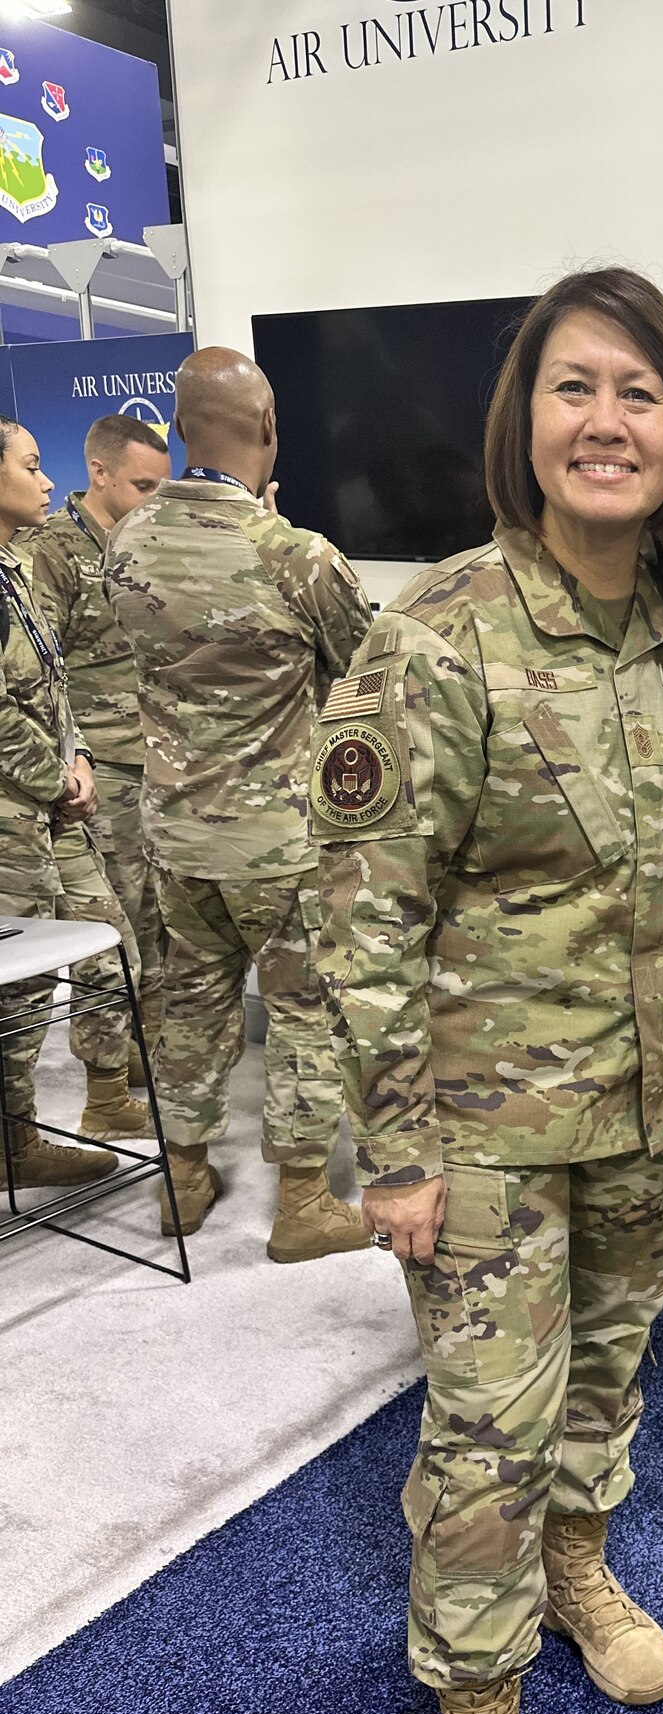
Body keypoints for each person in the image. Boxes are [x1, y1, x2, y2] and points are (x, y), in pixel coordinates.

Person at [314, 270, 663, 1714]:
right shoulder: (440, 634)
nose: (608, 420)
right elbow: (359, 906)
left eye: (640, 390)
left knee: (605, 1387)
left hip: (650, 1116)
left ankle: (579, 1564)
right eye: (575, 389)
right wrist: (395, 1147)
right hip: (480, 1133)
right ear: (525, 423)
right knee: (484, 1434)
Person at [103, 348, 374, 1257]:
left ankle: (182, 1173)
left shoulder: (129, 541)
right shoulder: (294, 555)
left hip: (174, 832)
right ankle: (301, 1202)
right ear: (268, 428)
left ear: (178, 431)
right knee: (304, 1006)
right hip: (279, 842)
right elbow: (366, 671)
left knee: (192, 995)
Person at [0, 417, 139, 1186]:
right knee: (17, 991)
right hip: (14, 817)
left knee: (108, 942)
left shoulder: (13, 569)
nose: (48, 481)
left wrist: (77, 754)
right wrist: (59, 779)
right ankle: (13, 1143)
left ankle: (108, 1096)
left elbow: (52, 687)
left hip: (52, 804)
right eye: (30, 464)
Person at [25, 414, 171, 1127]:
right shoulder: (50, 551)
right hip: (95, 769)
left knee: (152, 918)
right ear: (101, 473)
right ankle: (103, 1092)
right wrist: (66, 760)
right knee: (107, 934)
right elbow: (36, 670)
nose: (153, 498)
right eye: (142, 485)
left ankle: (137, 1050)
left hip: (156, 757)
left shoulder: (149, 541)